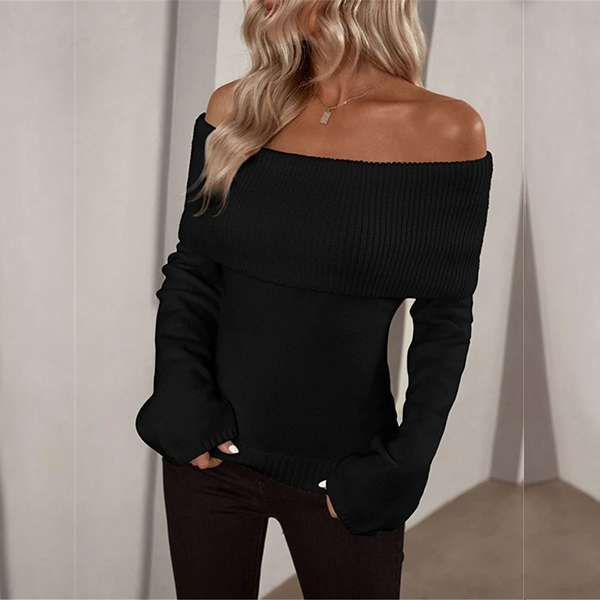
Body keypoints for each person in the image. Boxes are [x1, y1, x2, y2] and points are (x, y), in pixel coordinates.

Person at [135, 0, 494, 598]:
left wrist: (405, 465)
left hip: (348, 472)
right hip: (210, 458)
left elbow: (445, 319)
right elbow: (194, 272)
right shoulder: (236, 108)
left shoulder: (447, 130)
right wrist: (179, 394)